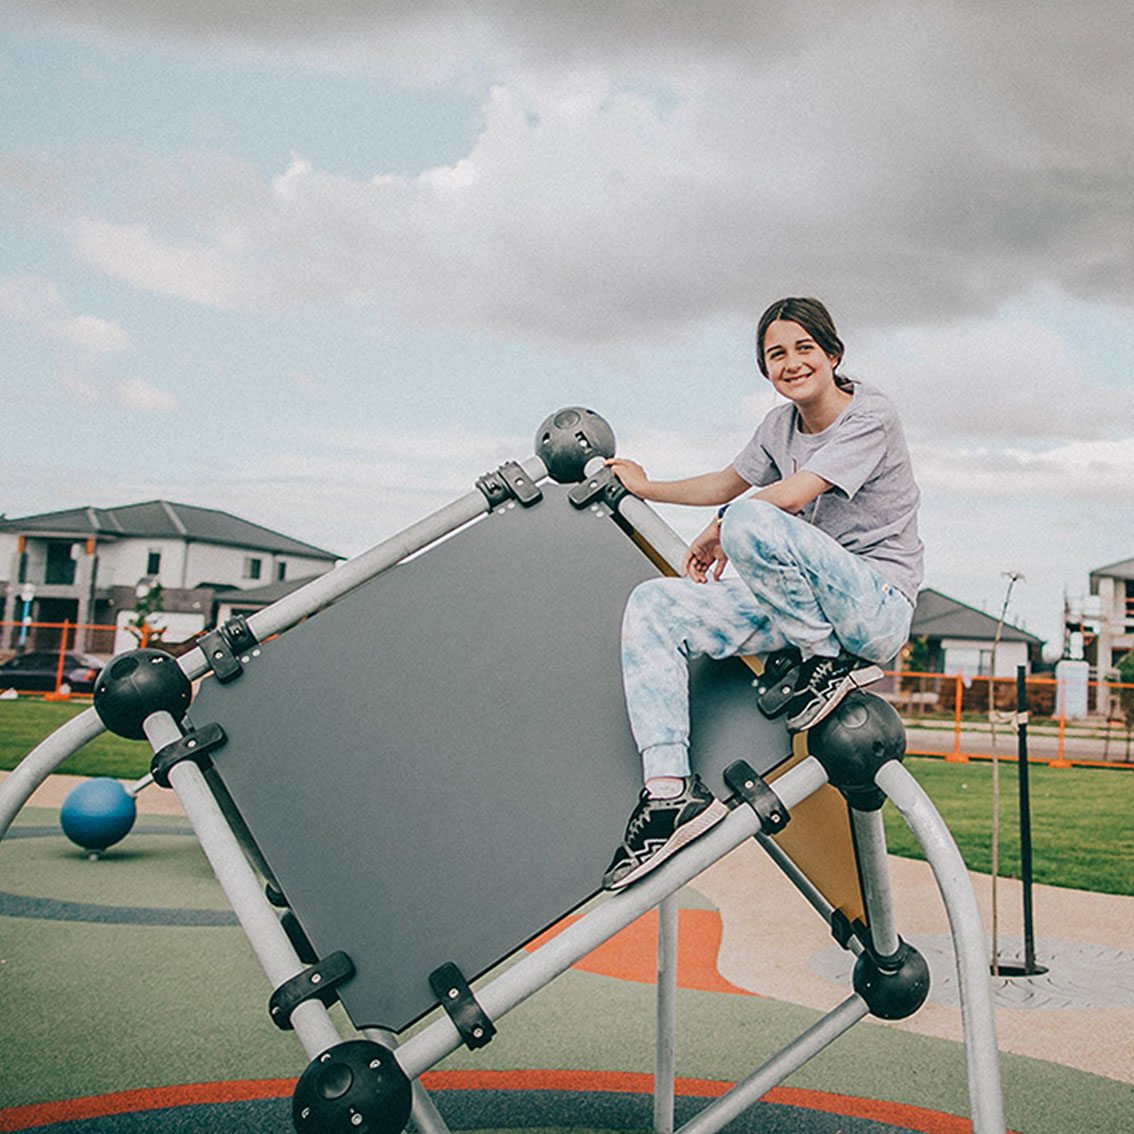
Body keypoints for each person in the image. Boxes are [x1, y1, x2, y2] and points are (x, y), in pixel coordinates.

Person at [601, 296, 923, 891]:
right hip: (808, 608)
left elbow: (795, 492)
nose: (791, 363)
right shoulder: (779, 426)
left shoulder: (871, 414)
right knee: (655, 604)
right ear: (765, 369)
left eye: (804, 348)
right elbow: (728, 482)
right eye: (776, 354)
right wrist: (647, 486)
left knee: (749, 519)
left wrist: (724, 527)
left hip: (874, 605)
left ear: (832, 355)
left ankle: (828, 665)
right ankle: (670, 794)